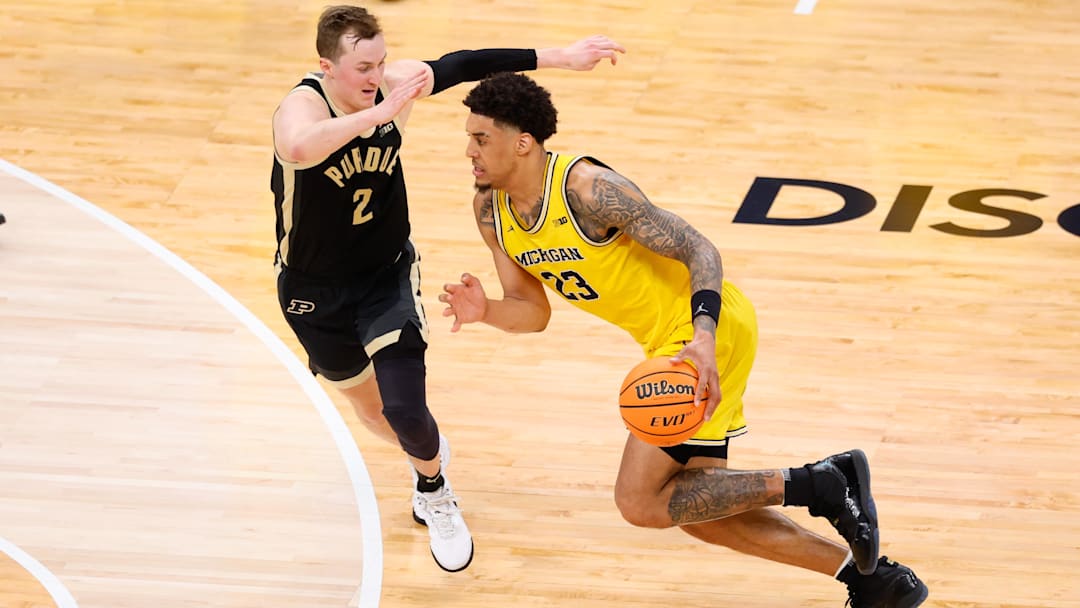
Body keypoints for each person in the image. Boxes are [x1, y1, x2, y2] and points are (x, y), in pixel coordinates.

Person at [438, 72, 929, 606]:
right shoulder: (492, 210)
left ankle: (819, 482)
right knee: (698, 511)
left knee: (639, 500)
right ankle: (874, 581)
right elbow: (533, 312)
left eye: (480, 138)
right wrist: (486, 310)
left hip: (704, 330)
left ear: (523, 142)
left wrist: (701, 339)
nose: (469, 150)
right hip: (667, 342)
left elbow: (700, 249)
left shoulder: (587, 191)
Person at [270, 6, 624, 573]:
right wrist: (381, 112)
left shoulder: (388, 86)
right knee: (373, 411)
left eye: (381, 62)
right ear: (326, 65)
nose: (375, 75)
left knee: (406, 407)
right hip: (312, 290)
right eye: (363, 66)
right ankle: (425, 450)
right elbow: (299, 149)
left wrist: (561, 55)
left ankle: (432, 490)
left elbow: (464, 64)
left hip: (386, 273)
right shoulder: (304, 106)